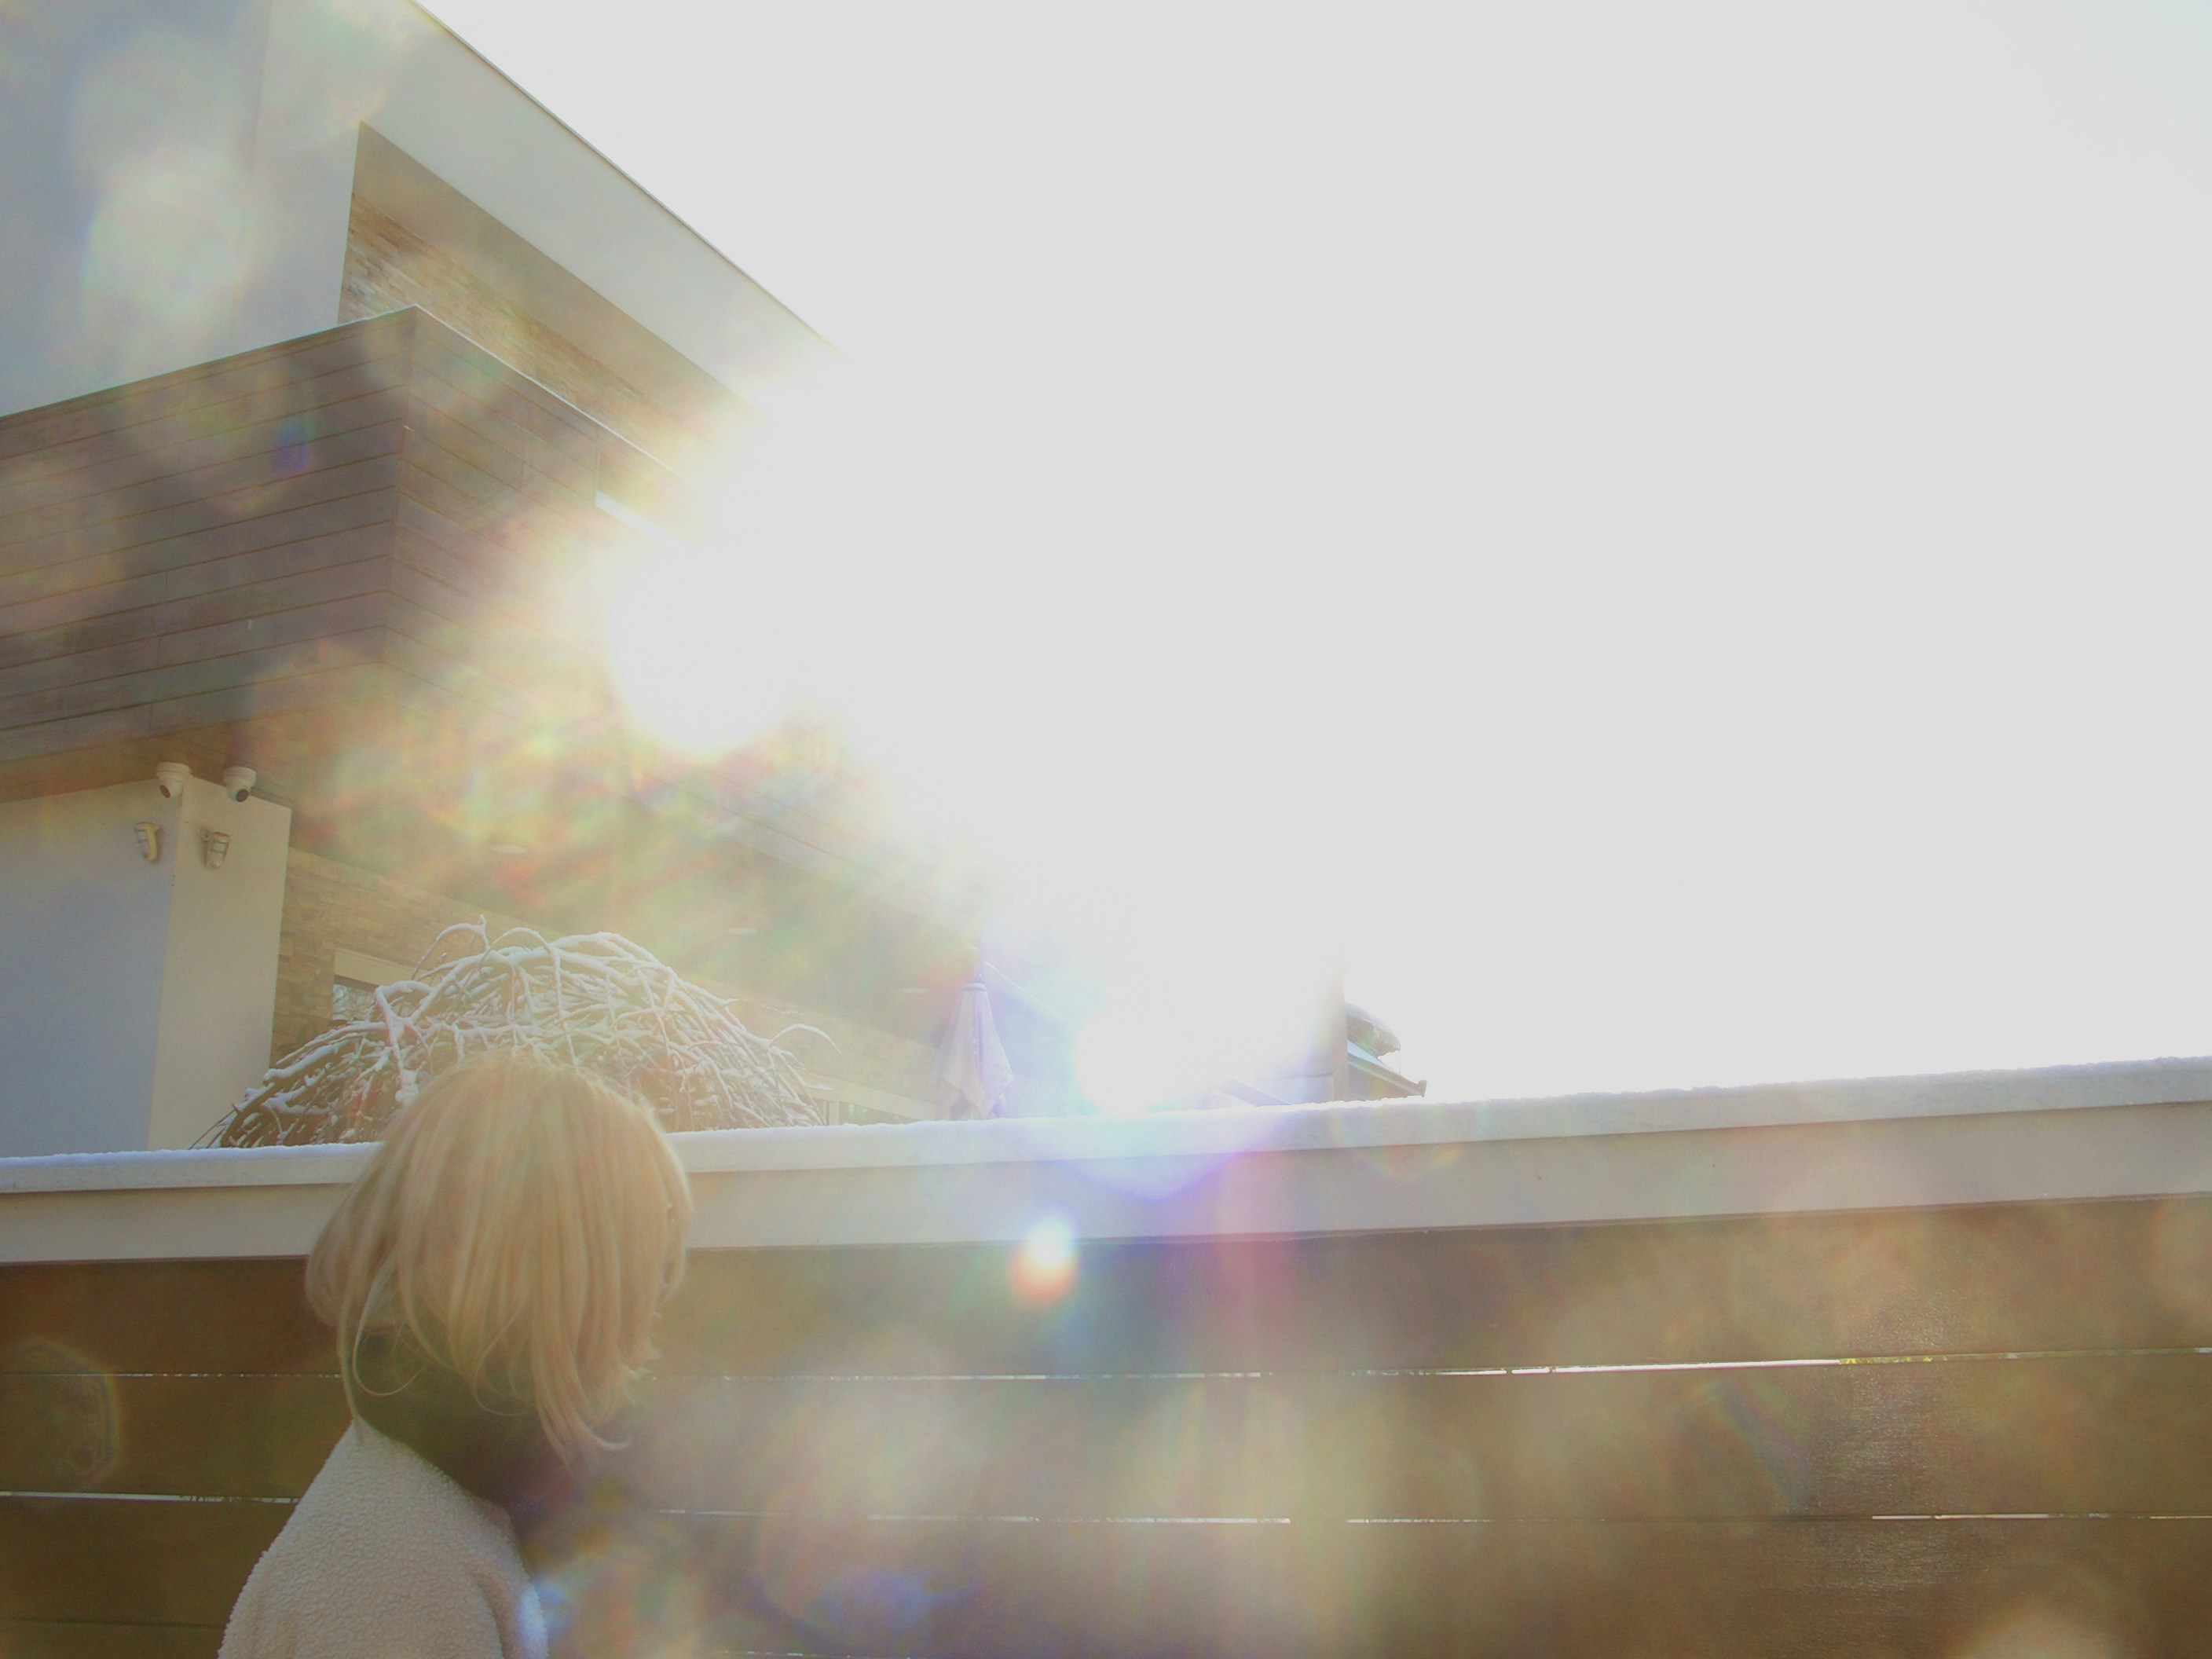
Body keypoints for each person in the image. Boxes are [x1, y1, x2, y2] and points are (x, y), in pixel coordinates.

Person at [219, 1058, 694, 1659]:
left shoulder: (476, 1498)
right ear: (551, 1277)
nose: (658, 1286)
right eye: (643, 1243)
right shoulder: (398, 1576)